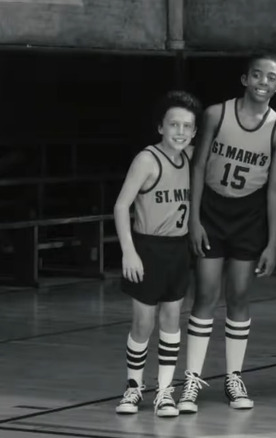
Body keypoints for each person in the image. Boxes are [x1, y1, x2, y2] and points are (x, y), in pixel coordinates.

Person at [176, 53, 276, 414]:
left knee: (239, 296)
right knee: (206, 295)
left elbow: (274, 190)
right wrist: (193, 219)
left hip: (249, 216)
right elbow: (196, 169)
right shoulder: (215, 114)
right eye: (256, 74)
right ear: (244, 79)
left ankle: (233, 378)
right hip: (211, 209)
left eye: (270, 77)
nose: (262, 81)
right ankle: (192, 379)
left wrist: (273, 242)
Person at [112, 90, 202, 417]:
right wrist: (128, 252)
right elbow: (121, 205)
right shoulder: (147, 159)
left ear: (194, 132)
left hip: (177, 249)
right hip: (146, 247)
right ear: (160, 127)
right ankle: (133, 388)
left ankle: (165, 391)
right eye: (173, 124)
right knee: (142, 322)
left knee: (170, 320)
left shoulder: (192, 157)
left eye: (187, 126)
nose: (180, 131)